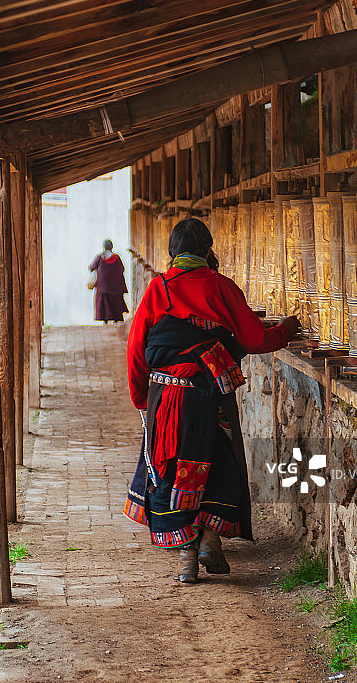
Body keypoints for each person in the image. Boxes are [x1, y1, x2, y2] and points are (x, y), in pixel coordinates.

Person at [125, 218, 299, 583]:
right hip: (211, 399)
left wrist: (142, 397)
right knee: (216, 460)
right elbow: (255, 339)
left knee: (174, 469)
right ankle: (210, 538)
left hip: (167, 399)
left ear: (172, 253)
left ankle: (186, 556)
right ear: (208, 252)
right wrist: (287, 329)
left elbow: (137, 349)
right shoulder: (222, 287)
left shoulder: (159, 290)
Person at [89, 239, 128, 323]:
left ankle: (105, 320)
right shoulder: (116, 258)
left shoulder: (100, 257)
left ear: (104, 247)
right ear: (111, 247)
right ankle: (116, 319)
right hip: (116, 287)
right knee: (115, 302)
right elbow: (122, 269)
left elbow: (91, 268)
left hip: (103, 287)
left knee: (104, 302)